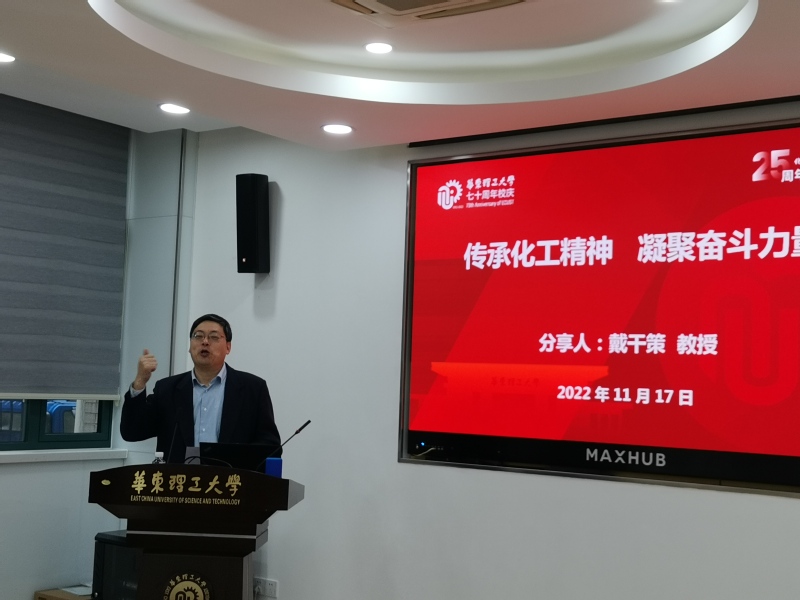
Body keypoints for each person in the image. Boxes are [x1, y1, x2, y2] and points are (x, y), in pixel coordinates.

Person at [120, 313, 281, 463]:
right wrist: (140, 381)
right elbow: (132, 431)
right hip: (179, 480)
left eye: (214, 337)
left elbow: (270, 446)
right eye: (198, 336)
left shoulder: (253, 389)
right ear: (190, 346)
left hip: (230, 480)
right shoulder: (167, 389)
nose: (205, 342)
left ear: (228, 347)